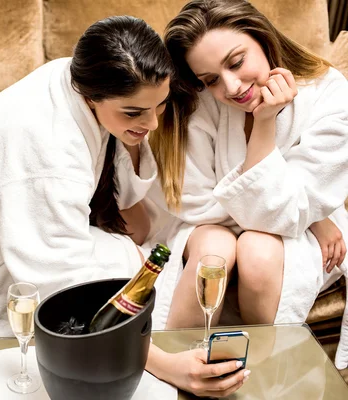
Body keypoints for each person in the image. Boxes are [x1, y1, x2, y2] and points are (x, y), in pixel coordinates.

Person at [0, 15, 247, 397]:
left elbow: (127, 204)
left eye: (158, 105)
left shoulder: (78, 74)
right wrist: (163, 366)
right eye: (134, 112)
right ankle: (165, 356)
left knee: (130, 264)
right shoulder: (43, 145)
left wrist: (130, 125)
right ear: (92, 94)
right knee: (84, 323)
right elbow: (57, 279)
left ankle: (162, 344)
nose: (153, 124)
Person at [144, 0, 348, 370]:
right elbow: (194, 203)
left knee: (257, 249)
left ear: (263, 39)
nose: (232, 87)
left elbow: (296, 207)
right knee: (214, 247)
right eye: (210, 79)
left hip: (300, 237)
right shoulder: (202, 102)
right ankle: (172, 367)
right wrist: (308, 216)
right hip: (231, 227)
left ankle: (254, 372)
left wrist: (264, 123)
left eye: (236, 62)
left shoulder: (331, 95)